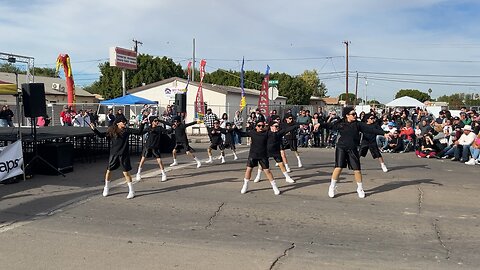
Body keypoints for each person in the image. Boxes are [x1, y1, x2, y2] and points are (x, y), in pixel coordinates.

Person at [323, 107, 384, 199]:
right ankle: (332, 187)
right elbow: (329, 125)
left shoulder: (358, 124)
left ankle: (360, 188)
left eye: (355, 114)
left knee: (357, 170)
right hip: (341, 147)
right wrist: (319, 124)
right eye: (353, 114)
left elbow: (370, 129)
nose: (355, 115)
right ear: (347, 115)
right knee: (338, 168)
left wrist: (384, 133)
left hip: (353, 148)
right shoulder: (340, 123)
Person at [89, 117, 146, 199]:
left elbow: (139, 132)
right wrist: (94, 129)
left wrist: (142, 124)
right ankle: (106, 188)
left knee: (126, 173)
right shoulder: (111, 130)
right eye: (123, 122)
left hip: (123, 155)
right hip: (114, 154)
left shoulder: (127, 130)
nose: (125, 123)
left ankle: (131, 191)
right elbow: (101, 136)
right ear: (117, 123)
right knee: (109, 171)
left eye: (125, 122)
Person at [239, 120, 281, 195]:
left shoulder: (267, 133)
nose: (261, 127)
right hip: (253, 154)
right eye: (259, 126)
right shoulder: (252, 132)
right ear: (256, 126)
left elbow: (274, 138)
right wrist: (234, 129)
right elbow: (242, 134)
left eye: (262, 126)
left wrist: (274, 132)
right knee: (249, 170)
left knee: (267, 171)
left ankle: (274, 187)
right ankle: (245, 185)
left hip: (263, 155)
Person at [253, 119, 299, 183]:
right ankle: (258, 176)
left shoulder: (279, 133)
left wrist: (297, 125)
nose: (277, 128)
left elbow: (288, 129)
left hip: (275, 151)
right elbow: (256, 131)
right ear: (271, 126)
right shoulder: (266, 133)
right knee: (261, 165)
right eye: (276, 126)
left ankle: (287, 177)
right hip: (265, 151)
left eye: (278, 126)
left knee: (281, 164)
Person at [135, 116, 169, 182]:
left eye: (157, 121)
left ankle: (163, 174)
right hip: (148, 146)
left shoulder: (159, 128)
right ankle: (138, 173)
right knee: (142, 160)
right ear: (152, 122)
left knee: (159, 160)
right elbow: (140, 132)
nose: (157, 122)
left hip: (155, 147)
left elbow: (167, 131)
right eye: (155, 121)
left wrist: (172, 128)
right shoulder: (149, 128)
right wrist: (142, 124)